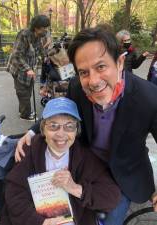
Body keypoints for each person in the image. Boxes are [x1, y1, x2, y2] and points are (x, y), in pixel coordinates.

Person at [15, 26, 157, 225]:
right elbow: (63, 113)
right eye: (83, 72)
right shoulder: (76, 87)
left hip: (125, 173)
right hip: (85, 166)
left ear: (120, 62)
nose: (93, 81)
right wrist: (32, 131)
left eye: (101, 67)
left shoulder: (149, 97)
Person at [0, 97, 121, 225]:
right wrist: (41, 222)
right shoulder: (29, 151)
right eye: (53, 126)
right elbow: (14, 194)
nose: (61, 134)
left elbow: (112, 196)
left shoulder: (86, 157)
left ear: (76, 130)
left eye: (69, 126)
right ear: (43, 130)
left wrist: (75, 188)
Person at [7, 15, 50, 121]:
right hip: (19, 68)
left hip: (29, 68)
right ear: (37, 27)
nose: (46, 30)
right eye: (44, 28)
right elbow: (17, 55)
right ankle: (24, 115)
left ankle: (23, 109)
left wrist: (46, 57)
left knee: (28, 88)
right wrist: (27, 69)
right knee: (23, 91)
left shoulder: (38, 37)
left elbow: (40, 49)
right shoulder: (24, 35)